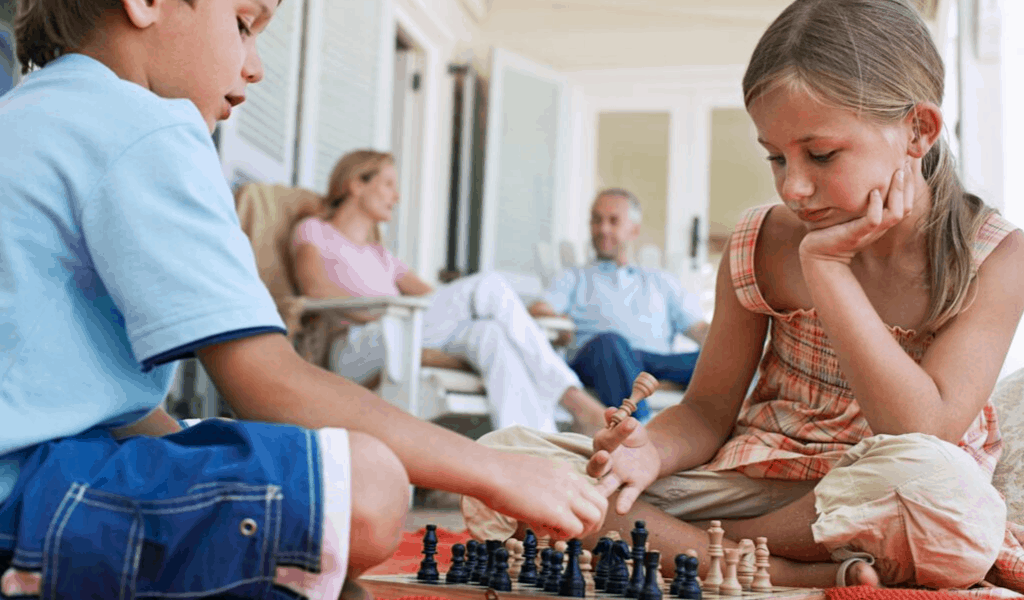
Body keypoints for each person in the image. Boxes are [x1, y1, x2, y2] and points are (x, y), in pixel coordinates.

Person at [0, 0, 608, 598]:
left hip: (38, 468)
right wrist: (496, 473)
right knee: (367, 485)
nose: (256, 66)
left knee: (252, 454)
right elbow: (269, 384)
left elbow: (101, 397)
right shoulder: (146, 124)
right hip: (24, 495)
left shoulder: (26, 112)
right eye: (243, 24)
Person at [463, 0, 1024, 590]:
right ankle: (780, 567)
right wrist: (649, 452)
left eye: (822, 154)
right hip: (749, 483)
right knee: (507, 461)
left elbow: (919, 430)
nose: (795, 186)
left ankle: (691, 548)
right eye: (776, 157)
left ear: (919, 130)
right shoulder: (759, 241)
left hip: (876, 490)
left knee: (948, 502)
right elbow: (706, 412)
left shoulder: (995, 256)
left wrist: (827, 268)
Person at [291, 149, 609, 436]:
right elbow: (315, 291)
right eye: (388, 184)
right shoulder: (314, 231)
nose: (397, 195)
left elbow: (441, 299)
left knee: (488, 333)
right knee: (488, 286)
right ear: (356, 184)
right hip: (354, 347)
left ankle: (535, 450)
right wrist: (383, 311)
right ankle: (574, 399)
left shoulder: (381, 256)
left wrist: (500, 318)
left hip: (400, 332)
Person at [529, 188, 710, 422]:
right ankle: (639, 429)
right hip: (599, 362)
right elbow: (539, 310)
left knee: (722, 360)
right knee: (611, 343)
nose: (603, 228)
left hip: (655, 365)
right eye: (596, 220)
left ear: (634, 229)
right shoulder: (574, 277)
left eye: (613, 221)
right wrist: (559, 324)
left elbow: (701, 330)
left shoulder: (661, 281)